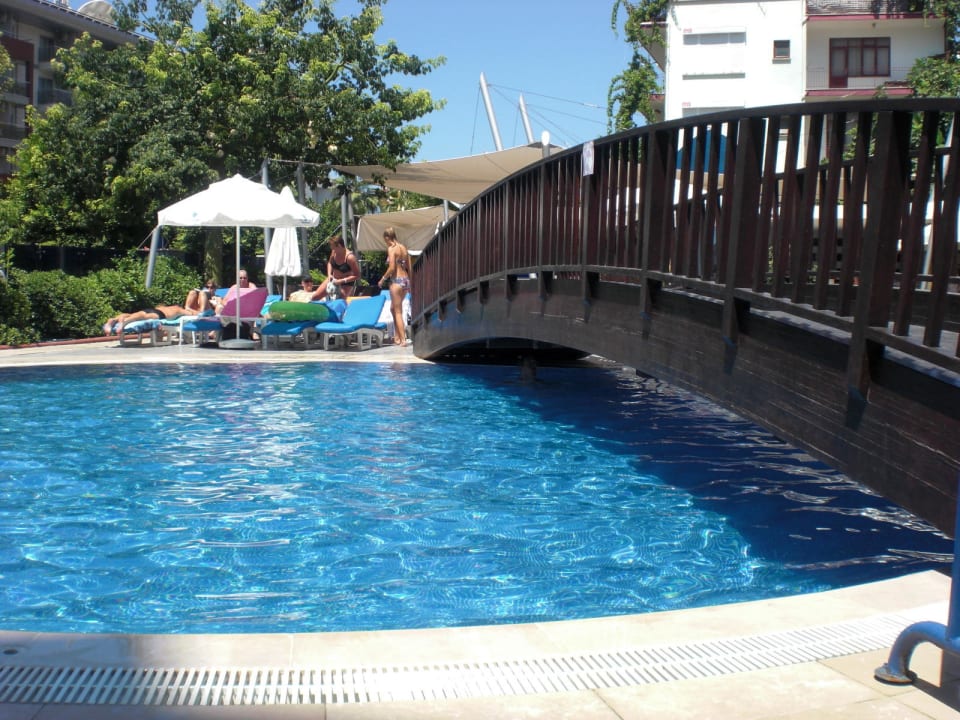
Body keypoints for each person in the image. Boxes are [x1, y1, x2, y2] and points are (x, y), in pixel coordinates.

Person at [377, 226, 412, 345]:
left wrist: (383, 279)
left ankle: (403, 340)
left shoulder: (391, 249)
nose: (385, 242)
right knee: (393, 308)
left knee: (398, 311)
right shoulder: (403, 248)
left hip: (396, 281)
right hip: (405, 280)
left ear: (387, 238)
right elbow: (409, 267)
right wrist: (410, 281)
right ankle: (397, 336)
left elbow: (392, 268)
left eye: (385, 240)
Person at [102, 304, 193, 335]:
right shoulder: (178, 309)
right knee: (144, 317)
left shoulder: (163, 307)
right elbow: (190, 315)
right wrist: (189, 311)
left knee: (135, 314)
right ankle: (123, 323)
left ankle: (114, 319)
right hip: (159, 315)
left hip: (150, 309)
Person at [317, 236, 360, 300]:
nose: (332, 249)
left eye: (333, 248)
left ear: (339, 246)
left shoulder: (350, 257)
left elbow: (357, 275)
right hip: (333, 280)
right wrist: (329, 274)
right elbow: (330, 263)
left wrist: (342, 280)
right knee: (315, 296)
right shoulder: (334, 252)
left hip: (346, 283)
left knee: (339, 300)